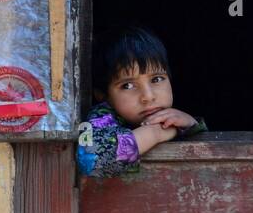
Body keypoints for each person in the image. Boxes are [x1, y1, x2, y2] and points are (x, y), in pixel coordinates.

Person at [76, 26, 207, 178]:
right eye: (128, 85)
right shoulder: (102, 117)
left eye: (156, 79)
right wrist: (157, 132)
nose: (148, 96)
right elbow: (90, 161)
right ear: (103, 96)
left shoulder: (172, 117)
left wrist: (190, 125)